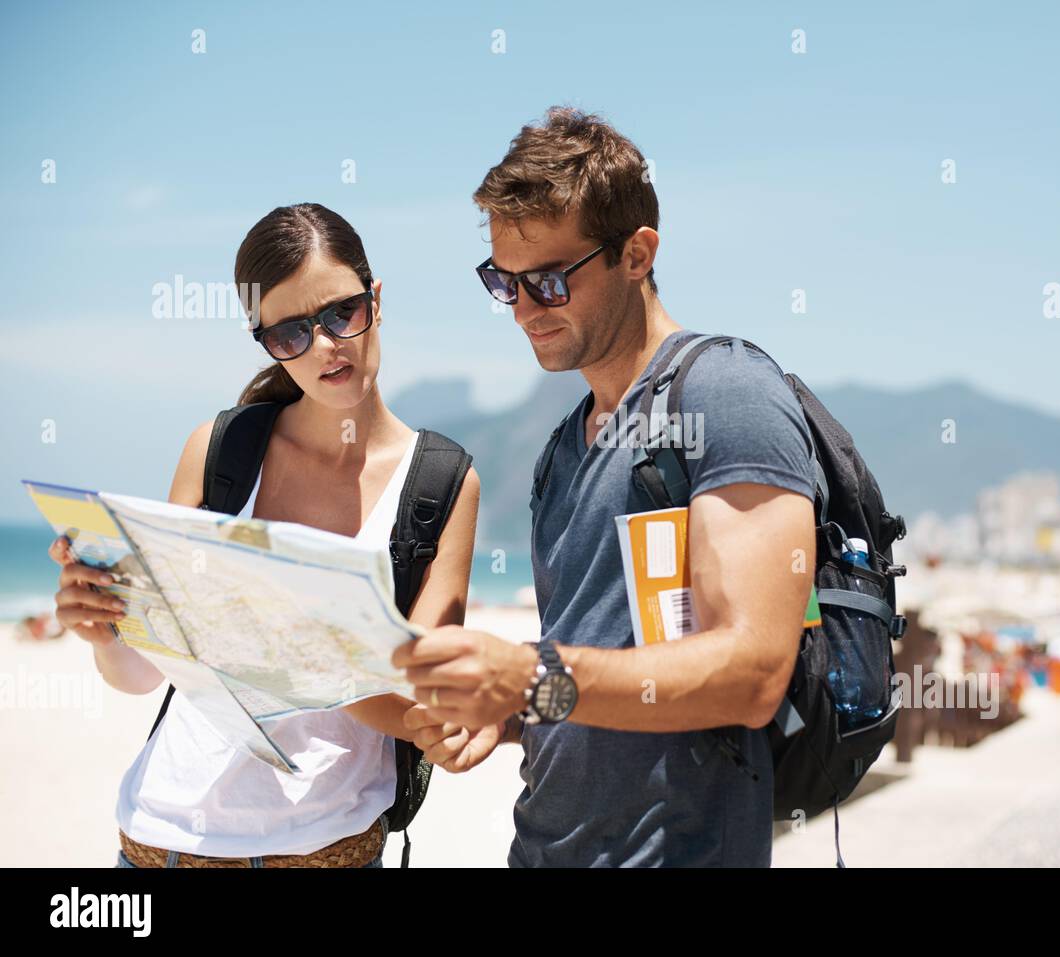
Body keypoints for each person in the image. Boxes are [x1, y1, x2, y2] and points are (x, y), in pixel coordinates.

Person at [396, 108, 818, 867]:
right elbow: (595, 684)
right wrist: (506, 711)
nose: (524, 308)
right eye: (504, 281)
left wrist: (529, 674)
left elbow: (756, 671)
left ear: (636, 253)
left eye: (551, 280)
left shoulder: (725, 393)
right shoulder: (560, 451)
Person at [49, 203, 480, 868]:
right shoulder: (220, 451)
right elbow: (141, 672)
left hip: (320, 851)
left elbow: (426, 704)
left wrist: (313, 657)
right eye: (289, 334)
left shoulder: (440, 484)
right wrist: (100, 627)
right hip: (156, 840)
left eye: (342, 312)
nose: (325, 346)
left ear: (377, 299)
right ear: (265, 339)